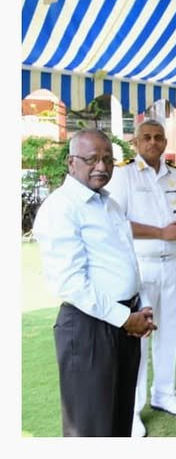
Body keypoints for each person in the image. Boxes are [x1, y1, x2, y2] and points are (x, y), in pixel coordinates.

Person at [32, 129, 156, 436]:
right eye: (91, 159)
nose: (101, 166)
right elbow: (70, 282)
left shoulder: (109, 204)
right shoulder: (61, 207)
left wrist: (141, 306)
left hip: (125, 323)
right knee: (90, 429)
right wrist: (125, 318)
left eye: (107, 159)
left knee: (119, 421)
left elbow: (127, 261)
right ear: (71, 162)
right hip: (89, 328)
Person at [108, 119, 176, 436]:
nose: (153, 142)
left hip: (173, 262)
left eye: (159, 137)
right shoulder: (124, 174)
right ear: (135, 142)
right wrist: (161, 231)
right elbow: (117, 221)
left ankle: (165, 394)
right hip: (140, 265)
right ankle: (132, 410)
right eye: (146, 137)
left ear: (164, 141)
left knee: (169, 331)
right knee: (140, 337)